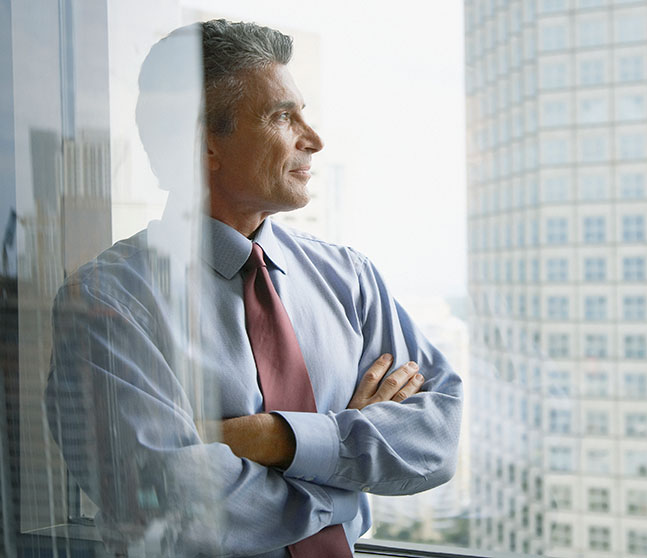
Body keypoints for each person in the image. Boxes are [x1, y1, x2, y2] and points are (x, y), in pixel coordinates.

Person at [44, 19, 462, 556]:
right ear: (205, 145)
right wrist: (344, 476)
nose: (313, 139)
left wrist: (271, 437)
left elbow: (437, 438)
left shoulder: (348, 278)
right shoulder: (109, 302)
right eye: (282, 116)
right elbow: (173, 507)